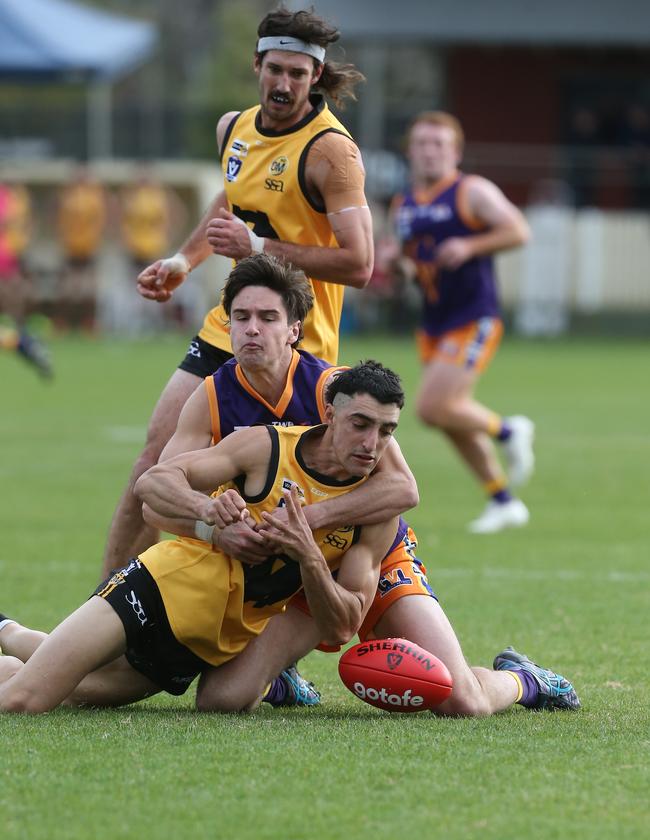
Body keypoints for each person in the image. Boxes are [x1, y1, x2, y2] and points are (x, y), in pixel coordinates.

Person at [2, 255, 578, 718]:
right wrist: (214, 523)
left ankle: (522, 680)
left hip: (359, 550)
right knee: (219, 700)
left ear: (295, 329)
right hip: (277, 572)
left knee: (461, 701)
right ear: (227, 326)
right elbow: (158, 493)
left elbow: (402, 489)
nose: (253, 330)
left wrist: (308, 526)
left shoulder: (339, 391)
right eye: (242, 318)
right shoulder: (214, 400)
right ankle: (277, 682)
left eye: (268, 318)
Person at [102, 6, 372, 577]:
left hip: (297, 346)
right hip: (231, 323)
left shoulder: (331, 153)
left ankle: (278, 646)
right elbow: (230, 204)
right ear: (257, 65)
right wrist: (184, 258)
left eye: (298, 75)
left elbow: (360, 263)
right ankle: (105, 604)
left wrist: (257, 249)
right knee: (153, 461)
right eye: (276, 69)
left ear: (315, 77)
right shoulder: (234, 128)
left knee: (279, 498)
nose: (284, 84)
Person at [0, 361, 405, 715]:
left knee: (67, 688)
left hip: (203, 644)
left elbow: (341, 626)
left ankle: (7, 633)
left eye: (386, 431)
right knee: (26, 700)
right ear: (331, 414)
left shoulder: (374, 511)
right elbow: (154, 482)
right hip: (157, 590)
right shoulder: (267, 447)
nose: (372, 444)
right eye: (360, 424)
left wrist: (310, 557)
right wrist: (207, 511)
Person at [390, 111, 533, 534]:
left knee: (432, 407)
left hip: (473, 316)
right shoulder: (405, 203)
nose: (429, 151)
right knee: (446, 416)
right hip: (434, 320)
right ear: (410, 151)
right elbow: (409, 258)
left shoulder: (471, 191)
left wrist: (470, 245)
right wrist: (396, 267)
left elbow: (518, 230)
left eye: (439, 144)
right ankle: (502, 499)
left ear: (456, 151)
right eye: (421, 143)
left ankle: (508, 430)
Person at [0, 181, 52, 378]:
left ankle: (25, 342)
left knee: (15, 293)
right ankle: (26, 344)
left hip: (6, 258)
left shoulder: (8, 195)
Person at [54, 164, 108, 331]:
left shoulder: (96, 195)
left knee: (89, 289)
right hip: (71, 248)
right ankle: (63, 323)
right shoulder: (66, 195)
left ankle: (89, 323)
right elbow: (56, 215)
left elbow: (103, 219)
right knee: (67, 289)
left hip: (89, 248)